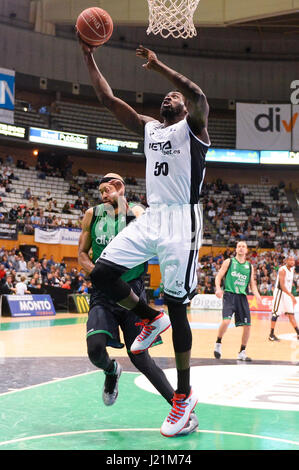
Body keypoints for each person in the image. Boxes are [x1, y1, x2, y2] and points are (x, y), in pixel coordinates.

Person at [78, 37, 210, 437]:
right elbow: (107, 98)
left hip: (181, 223)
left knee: (179, 309)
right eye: (166, 95)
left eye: (177, 96)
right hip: (153, 218)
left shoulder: (195, 128)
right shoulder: (150, 129)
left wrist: (158, 66)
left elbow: (199, 93)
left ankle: (183, 399)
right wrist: (88, 55)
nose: (172, 96)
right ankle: (148, 317)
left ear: (184, 109)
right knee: (100, 273)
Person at [78, 173, 198, 436]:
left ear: (121, 188)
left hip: (132, 292)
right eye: (101, 190)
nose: (104, 193)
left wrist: (125, 206)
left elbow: (147, 229)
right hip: (102, 293)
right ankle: (111, 371)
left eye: (110, 187)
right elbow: (81, 255)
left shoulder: (137, 211)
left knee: (141, 357)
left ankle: (183, 410)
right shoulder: (92, 215)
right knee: (95, 350)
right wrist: (98, 272)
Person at [213, 241, 262, 361]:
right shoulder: (229, 262)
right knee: (226, 322)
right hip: (229, 295)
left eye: (243, 246)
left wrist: (257, 295)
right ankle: (218, 343)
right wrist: (218, 289)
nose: (241, 248)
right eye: (239, 246)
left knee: (247, 326)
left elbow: (252, 284)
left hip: (242, 297)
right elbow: (218, 276)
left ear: (246, 250)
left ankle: (242, 352)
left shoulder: (249, 266)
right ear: (236, 249)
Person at [269, 256, 299, 341]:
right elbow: (282, 286)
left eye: (293, 260)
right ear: (286, 261)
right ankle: (271, 334)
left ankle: (298, 333)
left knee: (291, 314)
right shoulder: (282, 270)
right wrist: (292, 295)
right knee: (275, 313)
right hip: (280, 293)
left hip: (287, 294)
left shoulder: (292, 269)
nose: (292, 261)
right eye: (290, 260)